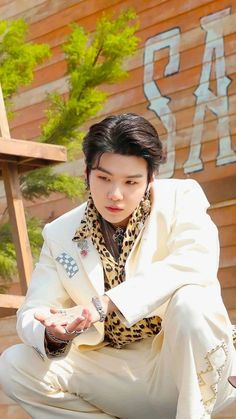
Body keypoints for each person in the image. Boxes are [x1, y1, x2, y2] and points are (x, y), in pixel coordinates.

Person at [0, 113, 235, 419]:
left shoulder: (182, 198)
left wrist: (104, 305)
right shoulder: (60, 233)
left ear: (151, 179)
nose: (115, 194)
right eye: (104, 178)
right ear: (87, 174)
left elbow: (193, 263)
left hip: (186, 365)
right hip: (116, 373)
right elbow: (33, 310)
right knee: (14, 365)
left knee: (191, 301)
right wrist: (54, 334)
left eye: (131, 182)